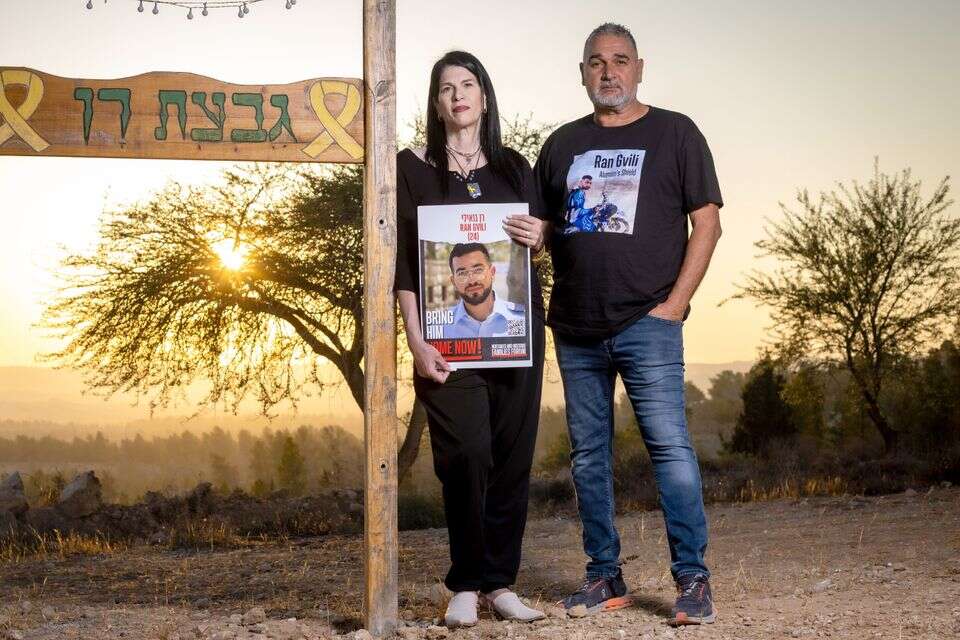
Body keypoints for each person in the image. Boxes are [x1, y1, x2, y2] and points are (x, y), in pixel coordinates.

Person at [533, 23, 724, 625]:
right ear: (582, 73)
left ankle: (692, 580)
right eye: (596, 62)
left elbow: (708, 223)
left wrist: (675, 305)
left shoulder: (676, 132)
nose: (608, 71)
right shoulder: (561, 144)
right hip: (575, 328)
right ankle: (604, 575)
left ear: (639, 68)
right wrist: (532, 234)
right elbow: (546, 229)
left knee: (670, 449)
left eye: (620, 60)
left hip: (648, 323)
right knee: (589, 458)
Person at [394, 50, 548, 628]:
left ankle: (500, 583)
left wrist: (541, 235)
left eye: (467, 84)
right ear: (436, 103)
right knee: (465, 454)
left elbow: (538, 245)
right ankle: (464, 583)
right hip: (444, 344)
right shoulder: (410, 168)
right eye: (445, 88)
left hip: (516, 337)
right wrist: (416, 341)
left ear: (484, 96)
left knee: (511, 457)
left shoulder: (514, 167)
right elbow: (403, 263)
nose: (457, 95)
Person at [442, 242, 526, 339]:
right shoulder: (441, 326)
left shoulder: (521, 318)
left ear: (492, 273)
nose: (472, 281)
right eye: (462, 273)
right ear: (453, 282)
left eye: (478, 270)